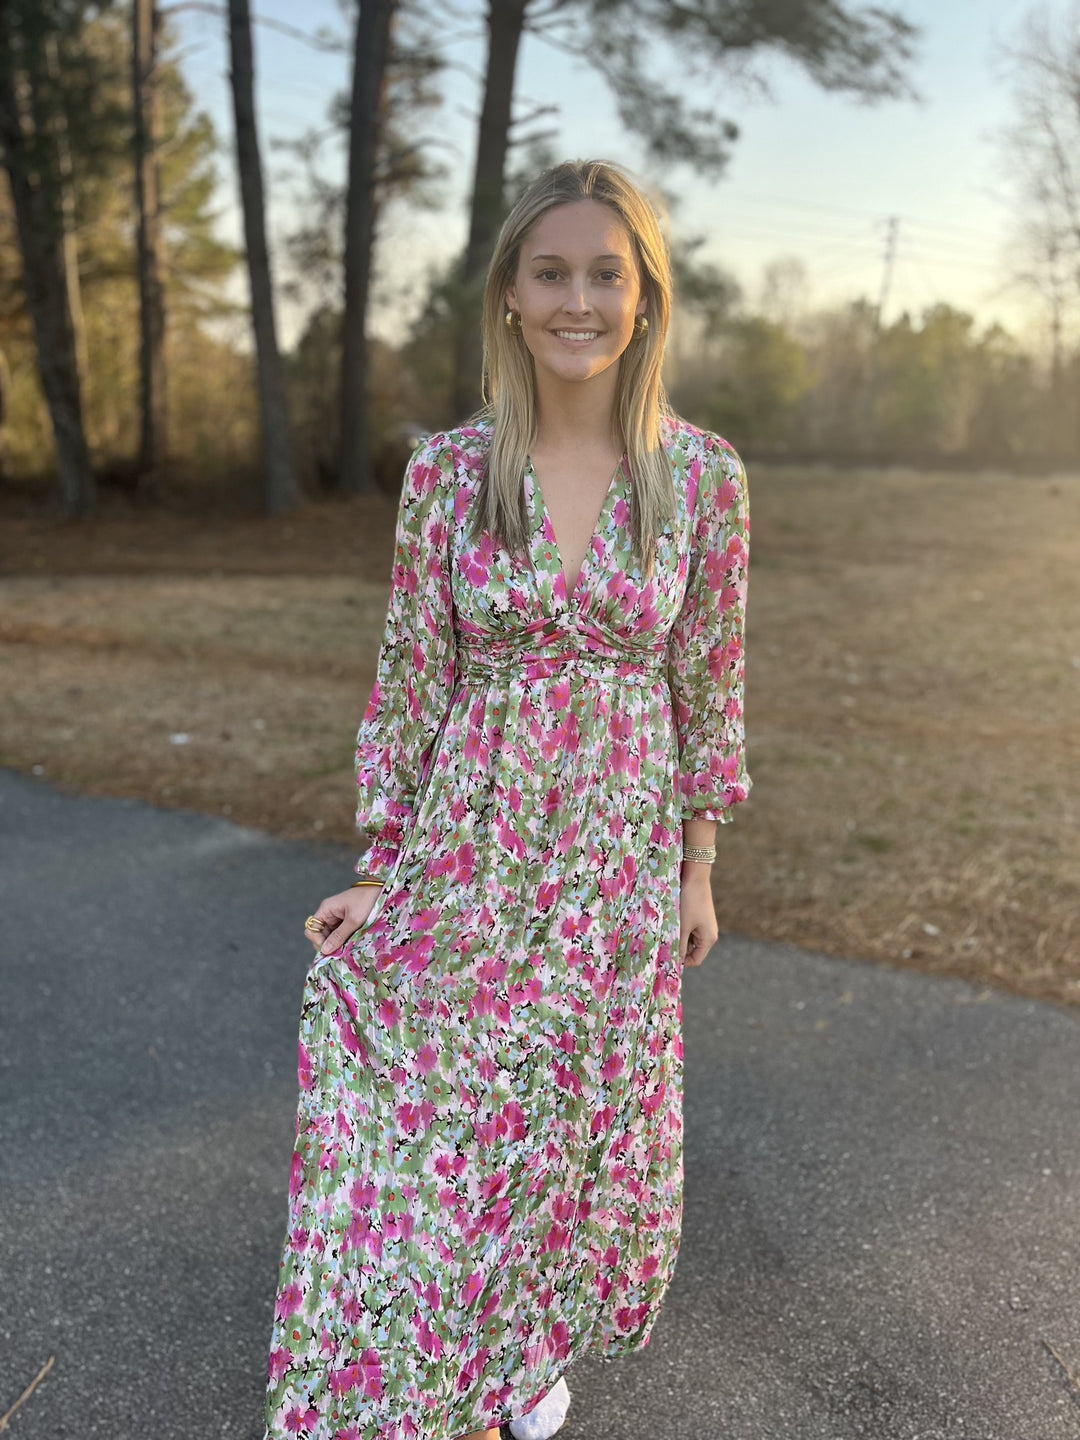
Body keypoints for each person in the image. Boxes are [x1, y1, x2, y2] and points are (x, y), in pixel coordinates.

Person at [264, 157, 750, 1440]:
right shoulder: (447, 472)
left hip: (614, 857)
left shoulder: (701, 478)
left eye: (606, 272)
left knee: (575, 1111)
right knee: (454, 1101)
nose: (578, 299)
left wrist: (697, 864)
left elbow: (709, 677)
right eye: (552, 271)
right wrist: (379, 865)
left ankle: (519, 1357)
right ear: (511, 295)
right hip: (472, 842)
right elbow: (413, 675)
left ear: (644, 298)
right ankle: (444, 1371)